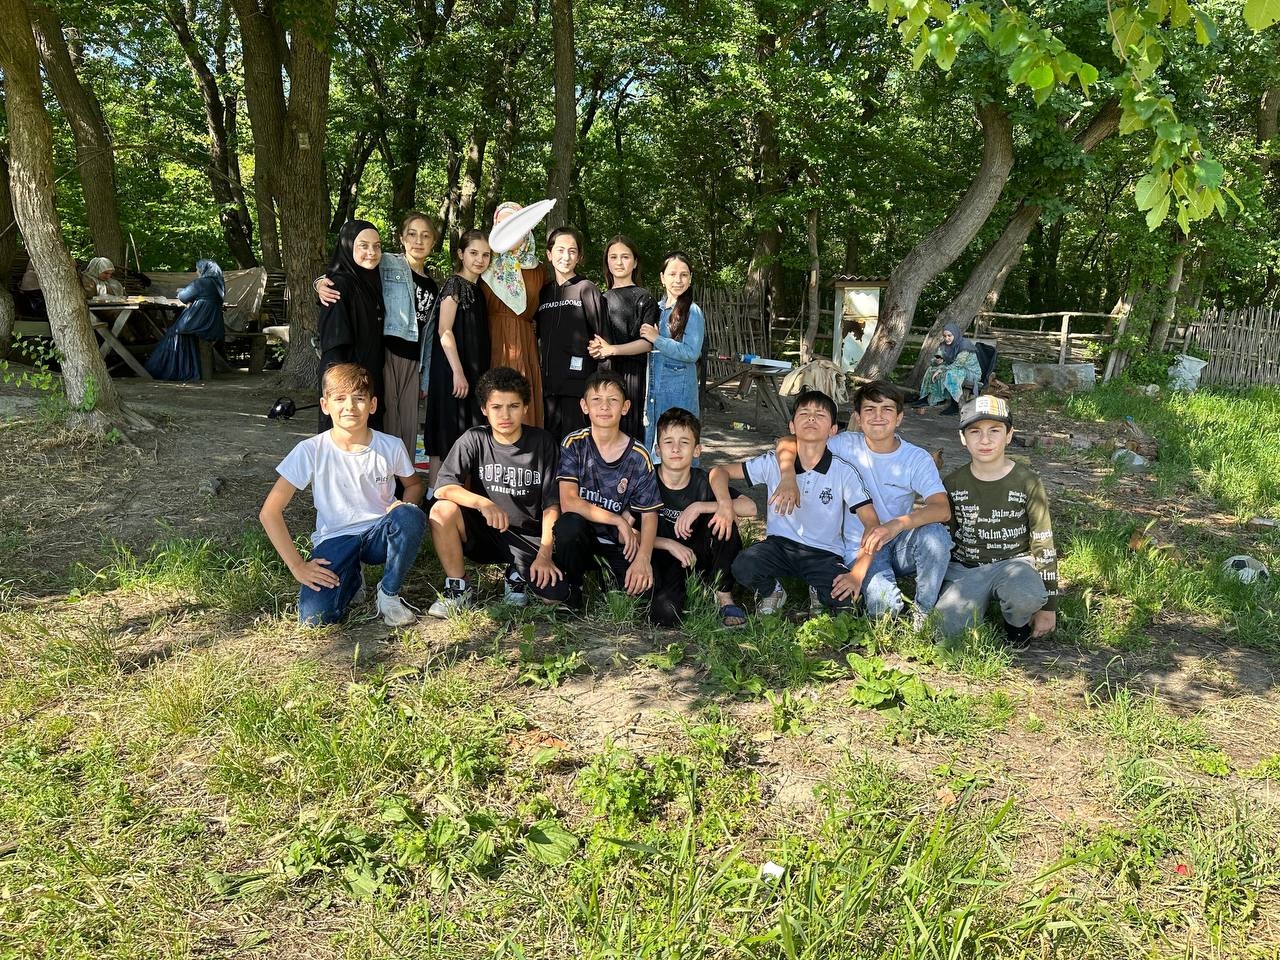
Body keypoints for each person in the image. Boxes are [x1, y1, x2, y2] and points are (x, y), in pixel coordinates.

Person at [772, 380, 953, 628]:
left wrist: (895, 525)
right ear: (858, 418)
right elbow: (789, 441)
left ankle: (924, 611)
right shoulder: (844, 444)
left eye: (887, 409)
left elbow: (942, 509)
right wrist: (788, 476)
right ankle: (879, 585)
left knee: (936, 535)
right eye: (869, 409)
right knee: (884, 610)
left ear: (899, 418)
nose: (878, 416)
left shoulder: (916, 458)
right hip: (858, 548)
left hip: (898, 541)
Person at [259, 363, 426, 628]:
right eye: (339, 398)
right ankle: (352, 577)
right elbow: (269, 512)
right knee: (315, 618)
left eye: (359, 398)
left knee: (410, 516)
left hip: (378, 533)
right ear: (325, 405)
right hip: (335, 538)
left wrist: (403, 505)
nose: (350, 406)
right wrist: (297, 565)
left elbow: (415, 484)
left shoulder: (390, 445)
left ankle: (388, 595)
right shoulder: (310, 450)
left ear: (372, 405)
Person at [722, 390, 880, 615]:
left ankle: (817, 587)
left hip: (823, 553)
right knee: (743, 566)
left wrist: (857, 574)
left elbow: (872, 524)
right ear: (792, 426)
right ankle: (772, 592)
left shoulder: (844, 471)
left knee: (848, 603)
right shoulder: (773, 463)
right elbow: (719, 472)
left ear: (833, 430)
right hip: (779, 546)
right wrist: (724, 504)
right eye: (804, 413)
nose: (811, 418)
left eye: (820, 415)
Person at [427, 367, 569, 617]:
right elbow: (443, 487)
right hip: (484, 532)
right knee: (441, 510)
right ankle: (458, 587)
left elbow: (551, 505)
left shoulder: (543, 442)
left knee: (554, 597)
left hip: (527, 537)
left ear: (525, 408)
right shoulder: (474, 439)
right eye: (496, 407)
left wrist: (545, 554)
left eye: (513, 406)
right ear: (484, 409)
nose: (505, 415)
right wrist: (483, 503)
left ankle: (516, 572)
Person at [314, 213, 441, 460]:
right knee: (380, 420)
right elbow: (343, 268)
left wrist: (425, 376)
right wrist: (320, 283)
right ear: (402, 239)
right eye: (412, 234)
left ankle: (398, 476)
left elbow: (430, 334)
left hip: (404, 361)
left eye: (426, 236)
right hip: (380, 357)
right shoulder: (387, 264)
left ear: (434, 242)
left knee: (402, 423)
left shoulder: (429, 285)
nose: (418, 241)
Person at [936, 395, 1059, 645]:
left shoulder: (1028, 482)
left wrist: (1049, 607)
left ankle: (1016, 624)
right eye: (975, 431)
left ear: (1009, 435)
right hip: (966, 569)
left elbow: (1043, 543)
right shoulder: (953, 483)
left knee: (1027, 595)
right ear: (963, 437)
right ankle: (970, 605)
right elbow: (944, 537)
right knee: (945, 632)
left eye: (994, 430)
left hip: (1014, 565)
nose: (985, 440)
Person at [552, 370, 662, 611]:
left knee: (645, 597)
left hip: (617, 542)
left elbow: (649, 514)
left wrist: (643, 558)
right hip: (580, 538)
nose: (604, 407)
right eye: (596, 400)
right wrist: (617, 520)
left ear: (625, 407)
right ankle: (572, 589)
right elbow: (569, 502)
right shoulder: (574, 443)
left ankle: (607, 579)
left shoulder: (638, 455)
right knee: (568, 525)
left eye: (613, 400)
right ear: (584, 406)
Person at [649, 407, 755, 628]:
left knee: (723, 515)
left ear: (697, 450)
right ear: (658, 449)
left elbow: (750, 507)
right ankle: (684, 591)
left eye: (684, 442)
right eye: (668, 442)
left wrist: (700, 507)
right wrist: (669, 544)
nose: (676, 449)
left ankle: (723, 595)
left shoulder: (703, 482)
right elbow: (627, 532)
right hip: (659, 556)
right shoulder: (646, 481)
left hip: (698, 558)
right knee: (665, 616)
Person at [423, 229, 492, 483]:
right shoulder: (454, 284)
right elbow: (444, 329)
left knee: (467, 429)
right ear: (461, 254)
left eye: (485, 255)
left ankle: (461, 488)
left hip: (474, 371)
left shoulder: (479, 289)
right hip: (452, 369)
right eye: (473, 253)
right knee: (446, 426)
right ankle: (434, 489)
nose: (480, 259)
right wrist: (458, 371)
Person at [537, 226, 605, 441]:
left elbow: (603, 340)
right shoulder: (543, 292)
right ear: (549, 254)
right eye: (560, 250)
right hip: (548, 388)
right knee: (551, 446)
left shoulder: (586, 288)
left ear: (579, 256)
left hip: (578, 387)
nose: (566, 257)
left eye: (572, 251)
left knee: (575, 446)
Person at [483, 201, 547, 427]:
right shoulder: (485, 263)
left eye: (514, 223)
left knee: (521, 397)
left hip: (524, 341)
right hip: (490, 340)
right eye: (502, 224)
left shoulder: (539, 270)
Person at [319, 220, 387, 431]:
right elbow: (334, 345)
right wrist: (344, 390)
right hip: (348, 383)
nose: (372, 252)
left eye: (376, 246)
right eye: (363, 246)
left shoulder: (371, 280)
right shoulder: (338, 285)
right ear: (347, 247)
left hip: (369, 376)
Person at [588, 235, 656, 440]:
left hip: (633, 375)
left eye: (625, 257)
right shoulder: (599, 298)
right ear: (607, 263)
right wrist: (595, 348)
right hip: (604, 374)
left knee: (630, 431)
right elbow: (592, 337)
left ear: (635, 262)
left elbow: (648, 343)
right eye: (613, 257)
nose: (619, 262)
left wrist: (613, 350)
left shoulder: (645, 298)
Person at [642, 252, 704, 455]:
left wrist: (657, 339)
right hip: (653, 393)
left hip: (678, 397)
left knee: (677, 449)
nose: (678, 280)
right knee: (656, 448)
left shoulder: (692, 311)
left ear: (690, 279)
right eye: (672, 274)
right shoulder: (656, 310)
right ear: (662, 277)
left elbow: (691, 353)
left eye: (684, 275)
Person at [145, 259, 225, 382]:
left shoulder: (201, 282)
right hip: (213, 324)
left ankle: (171, 370)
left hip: (198, 322)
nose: (197, 272)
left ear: (203, 270)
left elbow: (183, 297)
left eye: (198, 269)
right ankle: (194, 368)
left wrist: (181, 292)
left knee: (174, 332)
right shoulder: (220, 284)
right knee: (182, 333)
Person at [911, 323, 982, 416]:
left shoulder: (964, 345)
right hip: (955, 368)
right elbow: (936, 359)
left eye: (949, 335)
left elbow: (958, 364)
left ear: (955, 334)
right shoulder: (944, 345)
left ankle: (955, 406)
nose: (947, 338)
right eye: (944, 336)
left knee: (951, 374)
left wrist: (941, 369)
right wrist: (937, 361)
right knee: (931, 369)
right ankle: (925, 398)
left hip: (970, 372)